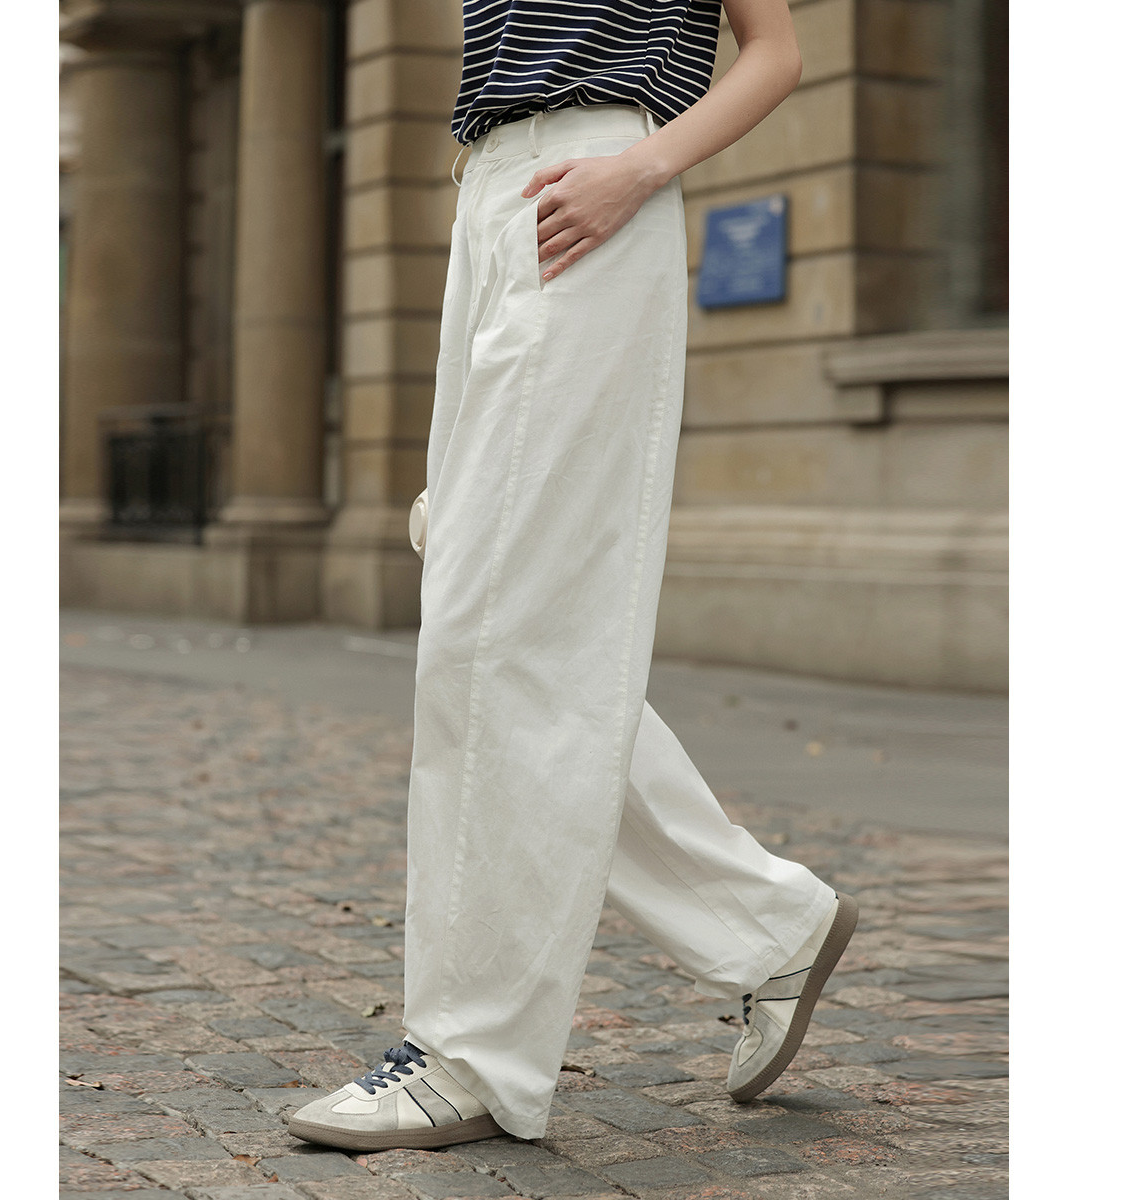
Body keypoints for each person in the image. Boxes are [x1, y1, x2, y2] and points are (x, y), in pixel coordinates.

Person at [288, 0, 857, 1153]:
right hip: (490, 198)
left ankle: (472, 1054)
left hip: (596, 187)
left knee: (489, 632)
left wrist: (638, 169)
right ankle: (768, 925)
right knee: (503, 621)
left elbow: (777, 50)